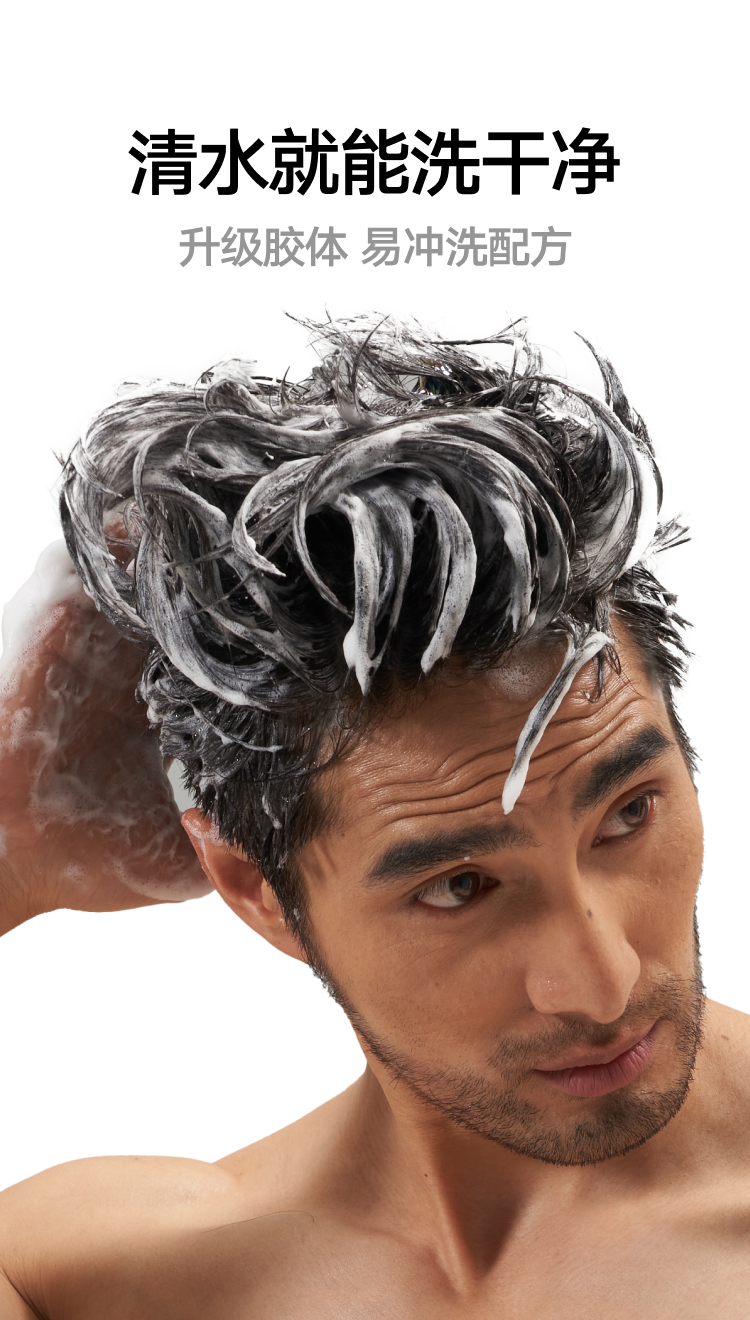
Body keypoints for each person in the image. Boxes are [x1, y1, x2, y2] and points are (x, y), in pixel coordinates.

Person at [0, 315, 747, 1318]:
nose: (603, 979)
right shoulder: (105, 1278)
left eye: (628, 815)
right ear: (256, 891)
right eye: (461, 886)